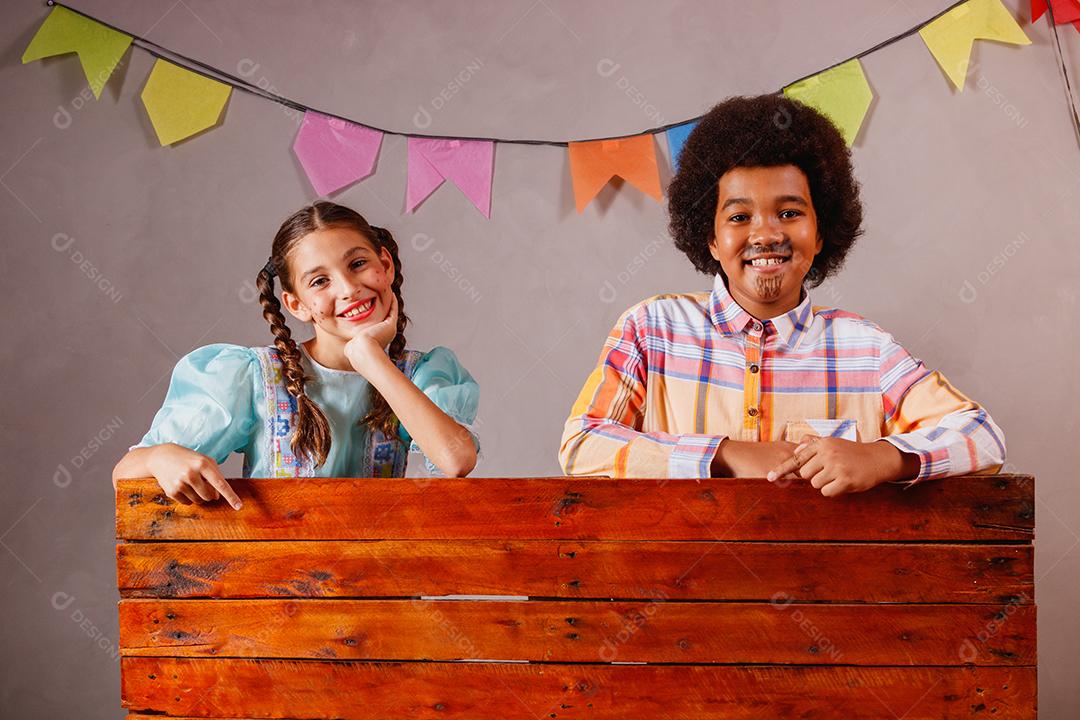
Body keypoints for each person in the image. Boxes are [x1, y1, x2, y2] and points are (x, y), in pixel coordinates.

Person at [559, 94, 1005, 496]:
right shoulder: (652, 330)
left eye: (789, 213)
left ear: (821, 232)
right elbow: (582, 445)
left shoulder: (865, 350)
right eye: (738, 217)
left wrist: (884, 458)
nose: (766, 234)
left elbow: (983, 437)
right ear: (710, 238)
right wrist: (723, 454)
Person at [113, 202, 479, 508]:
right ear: (296, 305)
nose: (349, 289)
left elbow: (455, 460)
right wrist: (160, 457)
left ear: (386, 264)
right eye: (320, 281)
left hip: (378, 585)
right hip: (278, 584)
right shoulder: (253, 377)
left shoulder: (420, 374)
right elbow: (125, 472)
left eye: (358, 264)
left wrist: (373, 361)